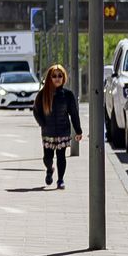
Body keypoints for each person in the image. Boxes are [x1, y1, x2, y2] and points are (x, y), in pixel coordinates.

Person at [32, 62, 82, 190]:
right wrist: (42, 123)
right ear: (50, 77)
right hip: (48, 132)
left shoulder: (68, 95)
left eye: (60, 76)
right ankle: (50, 169)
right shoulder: (42, 94)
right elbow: (36, 111)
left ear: (63, 77)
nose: (57, 78)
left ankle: (60, 180)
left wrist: (78, 130)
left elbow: (74, 113)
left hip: (63, 131)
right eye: (54, 76)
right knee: (47, 158)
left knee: (61, 156)